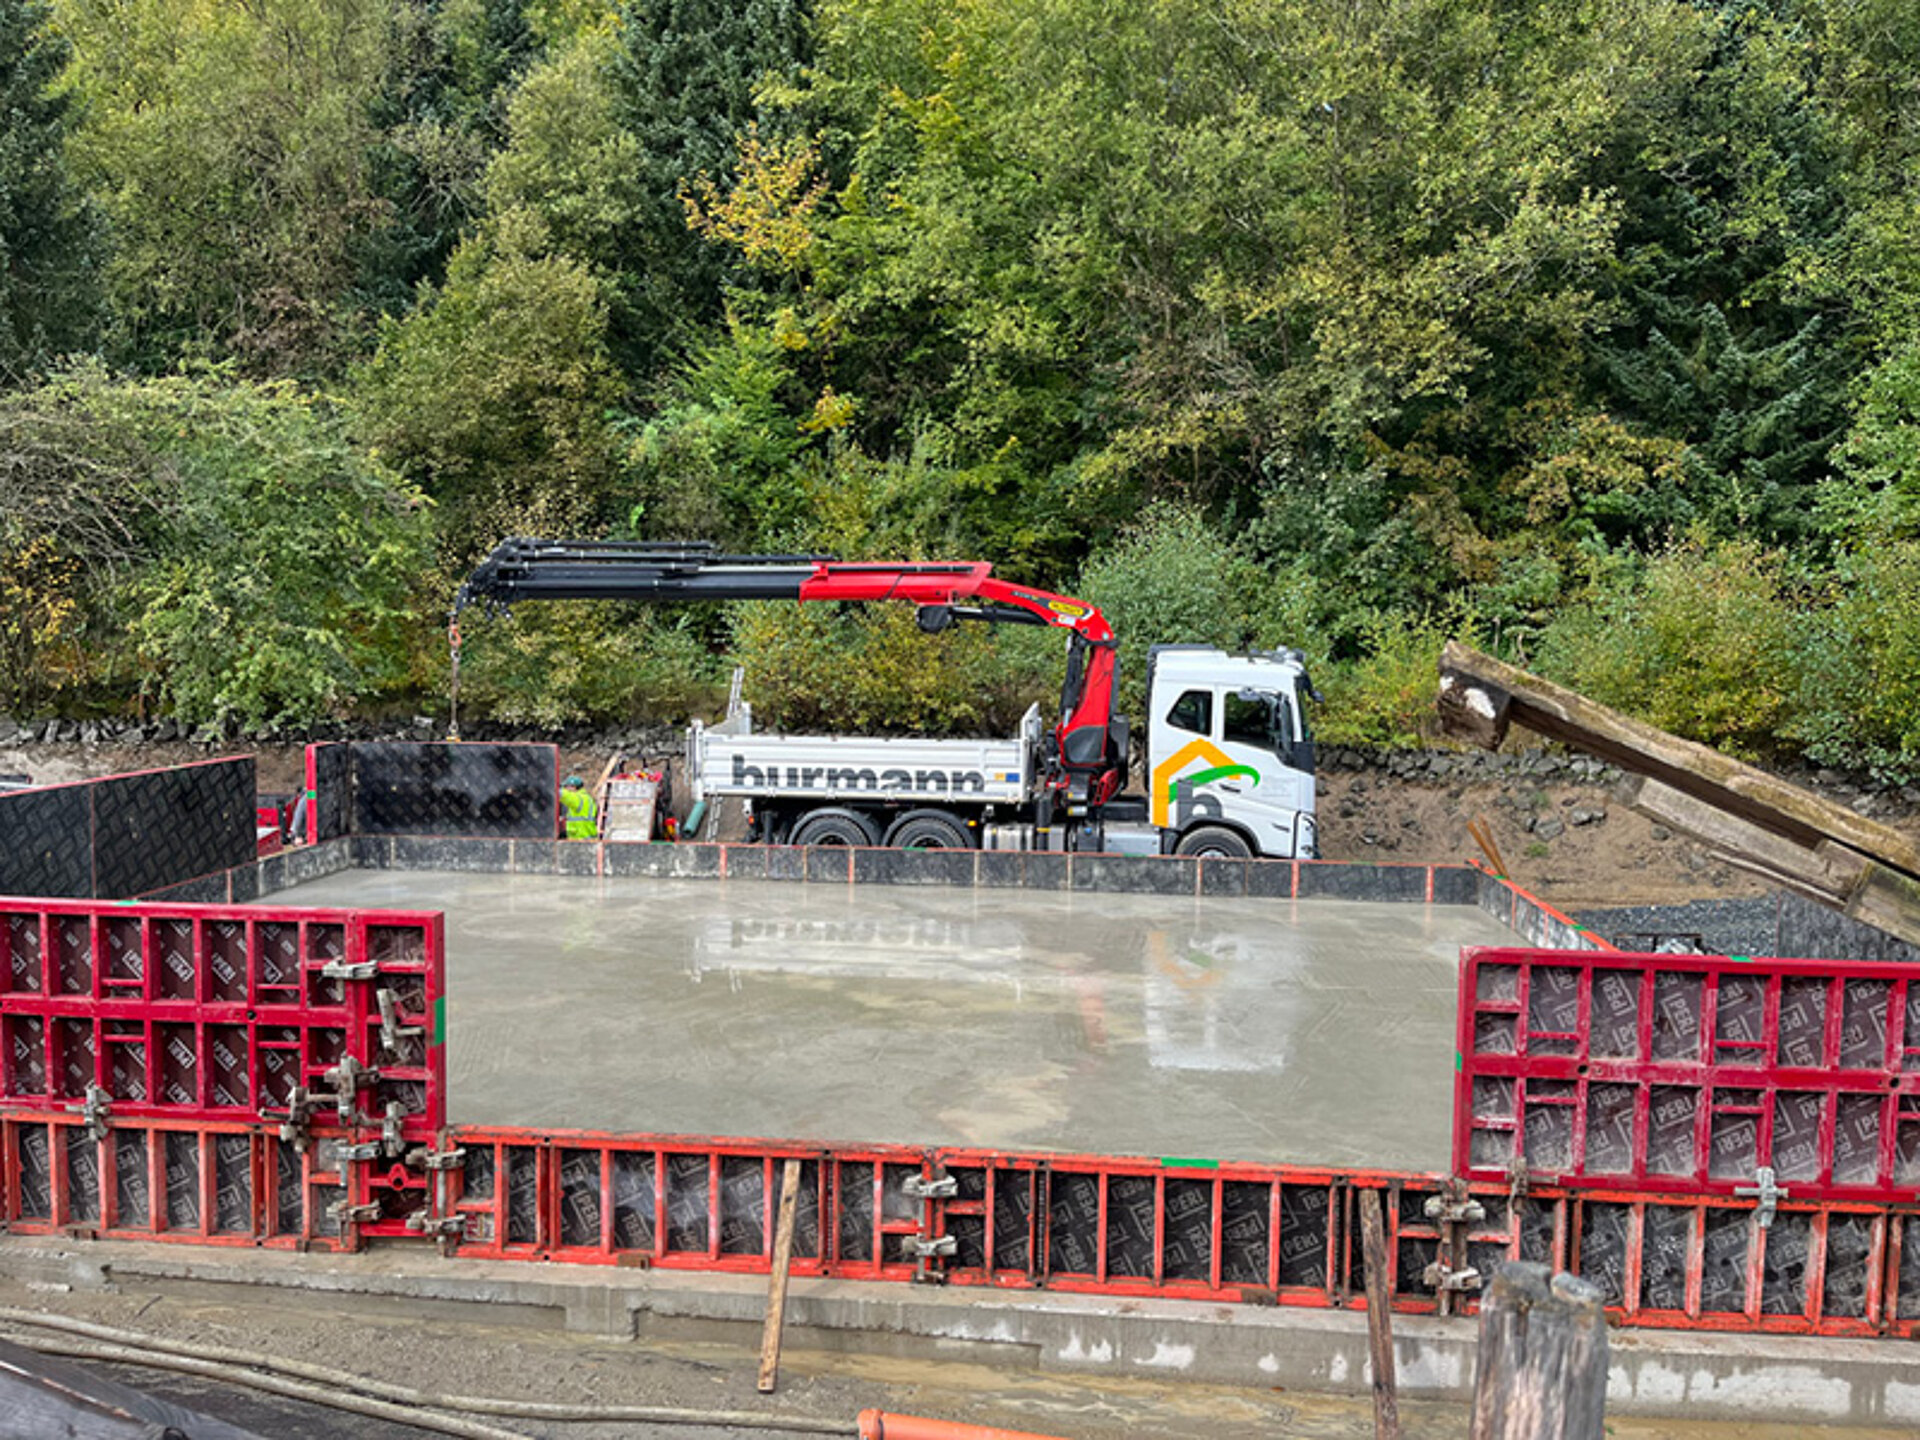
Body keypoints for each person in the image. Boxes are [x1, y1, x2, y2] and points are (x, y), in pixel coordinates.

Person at [559, 774, 598, 840]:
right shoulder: (586, 798)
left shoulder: (579, 799)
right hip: (588, 837)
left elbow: (564, 795)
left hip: (581, 838)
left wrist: (551, 787)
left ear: (573, 787)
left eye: (566, 787)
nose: (565, 789)